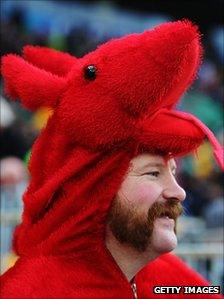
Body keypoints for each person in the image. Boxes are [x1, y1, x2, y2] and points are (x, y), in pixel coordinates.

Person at [1, 20, 223, 299]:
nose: (178, 192)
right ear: (94, 189)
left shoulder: (166, 281)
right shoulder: (33, 291)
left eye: (173, 172)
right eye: (153, 173)